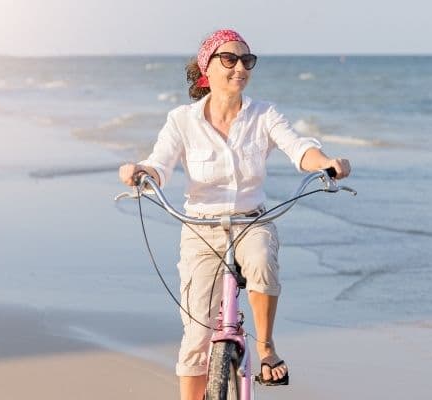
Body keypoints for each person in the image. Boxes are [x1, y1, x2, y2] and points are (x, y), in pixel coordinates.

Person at [119, 29, 351, 400]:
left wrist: (325, 163)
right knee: (196, 338)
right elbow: (159, 161)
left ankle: (266, 348)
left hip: (251, 220)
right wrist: (141, 171)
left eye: (247, 60)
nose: (240, 67)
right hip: (200, 227)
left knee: (260, 260)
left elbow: (298, 147)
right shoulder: (182, 120)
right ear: (206, 68)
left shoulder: (264, 114)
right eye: (229, 59)